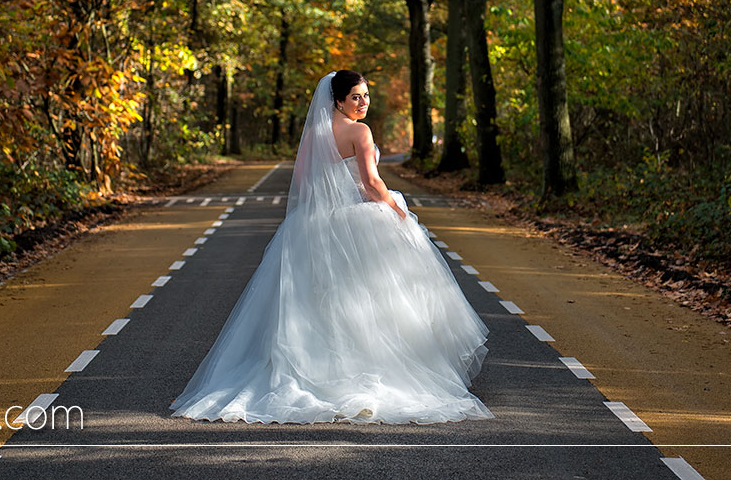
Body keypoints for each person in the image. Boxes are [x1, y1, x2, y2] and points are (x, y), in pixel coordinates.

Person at [169, 70, 492, 424]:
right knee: (377, 299)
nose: (363, 102)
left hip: (315, 223)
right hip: (360, 220)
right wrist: (398, 210)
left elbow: (306, 185)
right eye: (356, 96)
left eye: (366, 95)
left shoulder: (313, 135)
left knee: (322, 302)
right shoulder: (360, 132)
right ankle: (377, 367)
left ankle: (322, 368)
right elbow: (371, 184)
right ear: (337, 100)